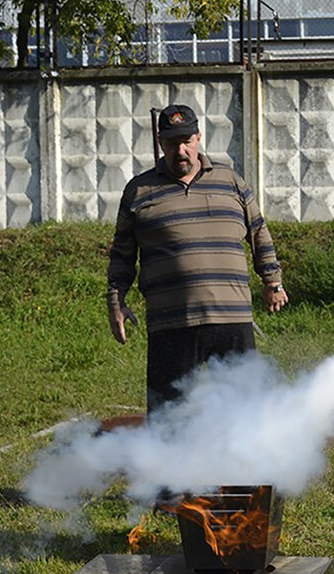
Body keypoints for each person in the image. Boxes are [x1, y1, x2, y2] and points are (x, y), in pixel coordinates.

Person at [106, 104, 288, 411]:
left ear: (199, 138)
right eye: (172, 142)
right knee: (169, 413)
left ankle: (243, 461)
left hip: (231, 318)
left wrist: (272, 281)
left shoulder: (231, 182)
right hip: (172, 322)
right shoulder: (139, 191)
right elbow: (122, 254)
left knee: (244, 409)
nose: (181, 150)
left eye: (187, 140)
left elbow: (259, 232)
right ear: (160, 142)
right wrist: (116, 302)